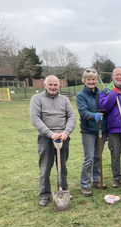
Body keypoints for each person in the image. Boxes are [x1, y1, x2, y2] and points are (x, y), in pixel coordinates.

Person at [30, 75, 76, 206]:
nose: (53, 87)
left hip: (63, 138)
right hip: (46, 139)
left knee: (62, 167)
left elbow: (72, 117)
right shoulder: (36, 99)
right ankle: (44, 195)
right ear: (45, 85)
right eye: (50, 85)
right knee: (45, 168)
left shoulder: (64, 99)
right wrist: (50, 134)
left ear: (59, 86)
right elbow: (35, 119)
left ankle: (64, 191)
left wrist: (66, 132)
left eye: (55, 85)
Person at [76, 68, 107, 197]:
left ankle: (96, 180)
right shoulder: (80, 96)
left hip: (101, 130)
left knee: (97, 156)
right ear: (84, 80)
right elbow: (82, 111)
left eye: (93, 79)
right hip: (88, 130)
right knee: (89, 158)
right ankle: (85, 185)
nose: (91, 81)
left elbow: (106, 107)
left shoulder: (101, 94)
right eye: (88, 79)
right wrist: (94, 115)